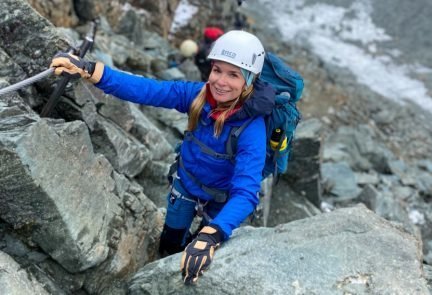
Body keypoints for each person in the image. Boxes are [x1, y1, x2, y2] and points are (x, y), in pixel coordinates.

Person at [49, 30, 275, 285]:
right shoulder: (198, 96)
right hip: (186, 185)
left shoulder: (252, 130)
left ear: (249, 80)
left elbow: (245, 193)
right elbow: (148, 90)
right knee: (170, 241)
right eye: (217, 70)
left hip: (222, 200)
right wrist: (90, 70)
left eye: (233, 74)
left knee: (202, 251)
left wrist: (212, 235)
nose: (220, 81)